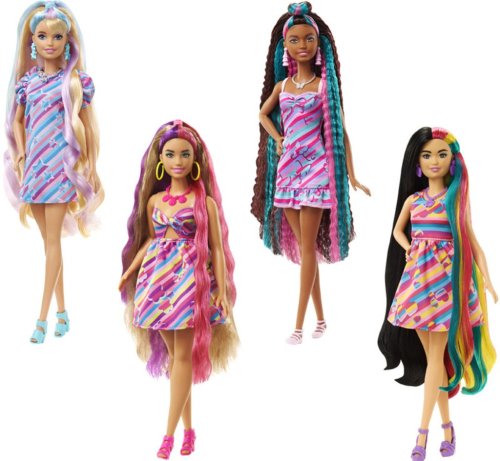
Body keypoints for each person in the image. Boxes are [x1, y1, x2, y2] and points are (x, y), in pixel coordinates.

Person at [251, 2, 370, 344]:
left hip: (316, 170)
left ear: (319, 45)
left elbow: (341, 132)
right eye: (295, 40)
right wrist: (278, 138)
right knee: (307, 251)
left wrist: (352, 175)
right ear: (284, 46)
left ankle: (298, 325)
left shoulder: (323, 87)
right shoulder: (282, 87)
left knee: (307, 250)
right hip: (288, 171)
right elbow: (262, 114)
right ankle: (321, 319)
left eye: (308, 39)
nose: (302, 45)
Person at [119, 120, 238, 459]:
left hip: (189, 283)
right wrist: (130, 270)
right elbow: (151, 240)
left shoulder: (204, 202)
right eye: (170, 154)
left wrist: (221, 289)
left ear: (195, 158)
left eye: (185, 154)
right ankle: (189, 432)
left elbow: (217, 248)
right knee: (176, 360)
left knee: (182, 357)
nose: (178, 160)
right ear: (160, 159)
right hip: (157, 281)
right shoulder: (155, 201)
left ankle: (168, 435)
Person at [378, 127, 497, 460]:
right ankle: (448, 428)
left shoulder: (455, 200)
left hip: (446, 284)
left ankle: (422, 435)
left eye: (441, 154)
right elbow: (397, 230)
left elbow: (472, 240)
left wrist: (487, 279)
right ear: (417, 163)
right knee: (435, 362)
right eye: (427, 155)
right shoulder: (414, 201)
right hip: (418, 284)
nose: (434, 161)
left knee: (435, 359)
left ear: (452, 161)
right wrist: (409, 247)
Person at [4, 1, 103, 344]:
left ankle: (42, 317)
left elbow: (85, 123)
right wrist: (21, 152)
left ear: (67, 40)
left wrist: (86, 163)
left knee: (52, 244)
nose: (50, 42)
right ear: (32, 40)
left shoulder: (73, 82)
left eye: (57, 36)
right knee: (49, 244)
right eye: (43, 36)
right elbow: (18, 121)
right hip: (34, 168)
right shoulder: (27, 82)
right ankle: (63, 313)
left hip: (60, 170)